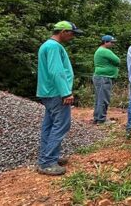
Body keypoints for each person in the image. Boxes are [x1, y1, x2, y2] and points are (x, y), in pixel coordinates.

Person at [36, 21, 83, 176]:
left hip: (48, 92)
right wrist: (66, 92)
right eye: (72, 33)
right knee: (62, 125)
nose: (73, 36)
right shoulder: (54, 47)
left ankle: (47, 157)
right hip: (56, 92)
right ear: (63, 31)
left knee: (49, 126)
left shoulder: (47, 45)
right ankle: (48, 162)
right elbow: (56, 71)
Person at [92, 35, 120, 125]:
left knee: (99, 99)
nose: (113, 44)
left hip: (100, 77)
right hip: (103, 77)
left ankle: (97, 118)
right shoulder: (105, 51)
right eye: (111, 42)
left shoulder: (99, 50)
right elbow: (117, 61)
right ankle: (101, 120)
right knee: (104, 99)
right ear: (105, 42)